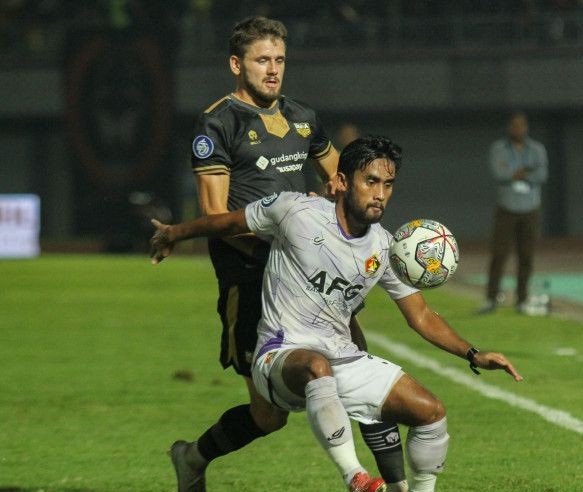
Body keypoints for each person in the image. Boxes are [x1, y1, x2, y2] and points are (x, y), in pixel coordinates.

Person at [150, 135, 523, 492]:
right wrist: (175, 232)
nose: (380, 194)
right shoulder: (294, 211)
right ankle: (355, 477)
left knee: (431, 413)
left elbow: (421, 316)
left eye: (388, 184)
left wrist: (474, 354)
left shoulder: (386, 248)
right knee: (315, 367)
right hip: (279, 354)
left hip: (341, 359)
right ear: (342, 181)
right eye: (371, 181)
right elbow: (228, 223)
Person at [176, 16, 408, 492]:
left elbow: (340, 177)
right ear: (236, 64)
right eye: (263, 60)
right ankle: (192, 458)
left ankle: (394, 485)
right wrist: (287, 236)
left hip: (314, 278)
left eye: (280, 60)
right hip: (250, 279)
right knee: (268, 417)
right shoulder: (218, 122)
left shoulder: (302, 117)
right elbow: (216, 216)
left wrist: (344, 208)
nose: (274, 69)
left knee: (360, 369)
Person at [478, 111, 549, 316]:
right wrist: (526, 172)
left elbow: (542, 174)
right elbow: (498, 173)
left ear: (526, 128)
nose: (518, 129)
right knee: (499, 254)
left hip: (530, 209)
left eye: (522, 125)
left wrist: (516, 173)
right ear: (509, 128)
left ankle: (522, 299)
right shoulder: (498, 149)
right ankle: (491, 298)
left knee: (526, 255)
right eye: (515, 125)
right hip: (506, 209)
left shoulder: (537, 149)